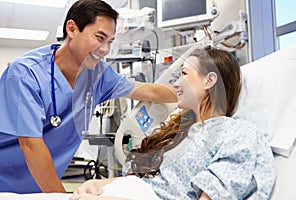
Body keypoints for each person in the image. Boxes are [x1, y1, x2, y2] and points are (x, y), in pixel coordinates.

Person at [0, 0, 177, 194]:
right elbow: (30, 144)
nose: (105, 49)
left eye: (109, 41)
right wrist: (60, 197)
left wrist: (195, 90)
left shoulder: (99, 75)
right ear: (72, 29)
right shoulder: (25, 74)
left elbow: (148, 91)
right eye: (99, 37)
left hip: (41, 187)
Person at [70, 47, 276, 200]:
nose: (176, 83)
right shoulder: (182, 134)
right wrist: (97, 185)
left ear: (209, 80)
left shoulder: (237, 133)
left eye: (184, 74)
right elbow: (150, 183)